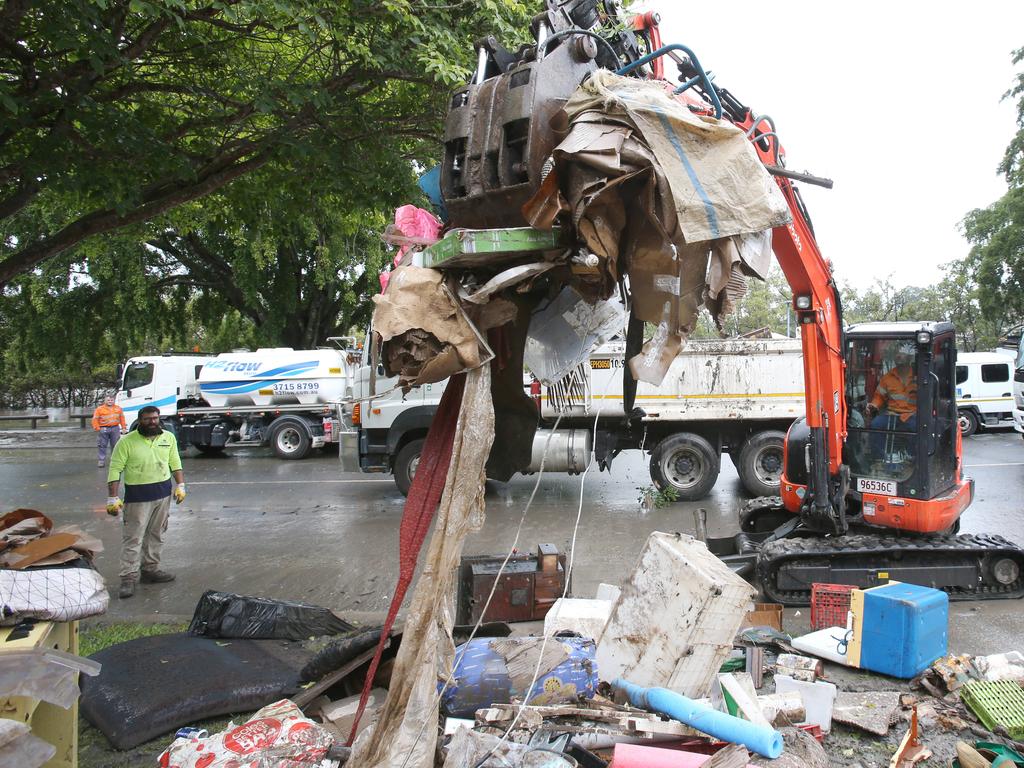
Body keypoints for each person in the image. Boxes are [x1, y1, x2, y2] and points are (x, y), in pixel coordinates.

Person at [105, 406, 186, 599]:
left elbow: (175, 462)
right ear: (140, 421)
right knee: (134, 537)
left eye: (155, 418)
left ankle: (150, 570)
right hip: (138, 497)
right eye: (148, 419)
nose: (152, 422)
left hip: (163, 494)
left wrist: (181, 485)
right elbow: (115, 470)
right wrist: (112, 497)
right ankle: (128, 577)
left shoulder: (168, 437)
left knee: (156, 534)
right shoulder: (126, 442)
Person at [865, 344, 917, 464]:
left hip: (912, 415)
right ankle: (881, 457)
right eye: (897, 354)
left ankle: (912, 457)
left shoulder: (917, 377)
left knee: (917, 427)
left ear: (909, 358)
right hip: (892, 415)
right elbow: (879, 396)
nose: (898, 356)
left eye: (902, 353)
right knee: (875, 424)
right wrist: (874, 405)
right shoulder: (887, 378)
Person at [91, 394, 126, 468]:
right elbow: (95, 419)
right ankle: (101, 461)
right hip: (104, 428)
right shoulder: (99, 409)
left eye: (111, 400)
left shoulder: (118, 408)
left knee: (116, 445)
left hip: (115, 428)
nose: (110, 401)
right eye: (108, 400)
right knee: (102, 445)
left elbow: (122, 418)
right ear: (105, 401)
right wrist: (97, 428)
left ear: (114, 401)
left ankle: (115, 461)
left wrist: (123, 428)